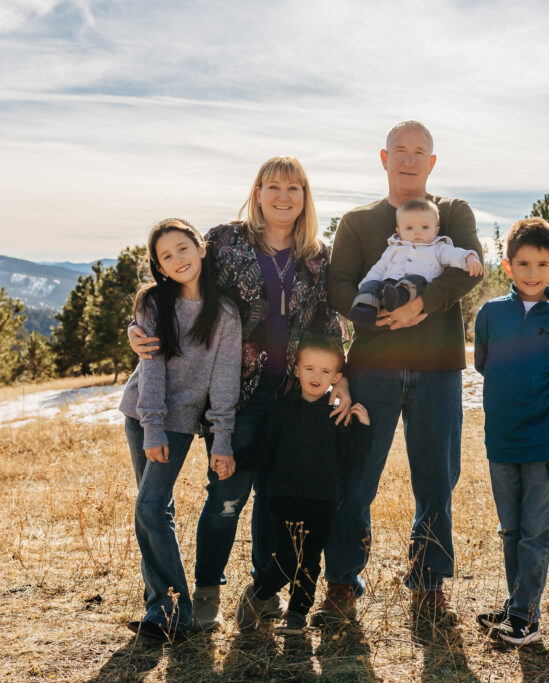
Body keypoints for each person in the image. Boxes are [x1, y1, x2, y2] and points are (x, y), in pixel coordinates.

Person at [128, 157, 348, 631]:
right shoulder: (226, 241)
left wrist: (340, 373)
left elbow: (327, 320)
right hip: (234, 392)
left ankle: (264, 589)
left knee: (275, 495)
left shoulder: (316, 254)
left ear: (305, 196)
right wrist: (136, 326)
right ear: (258, 191)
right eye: (273, 186)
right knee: (228, 493)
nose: (283, 195)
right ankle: (207, 590)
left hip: (291, 393)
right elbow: (180, 286)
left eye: (294, 187)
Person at [321, 121, 483, 625]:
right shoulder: (358, 221)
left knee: (437, 478)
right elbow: (339, 284)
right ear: (384, 158)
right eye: (400, 151)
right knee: (357, 475)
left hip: (438, 367)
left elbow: (469, 268)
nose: (409, 160)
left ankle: (429, 584)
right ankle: (343, 582)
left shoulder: (452, 212)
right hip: (372, 367)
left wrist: (421, 307)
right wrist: (371, 315)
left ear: (431, 163)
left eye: (419, 153)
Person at [119, 218, 242, 641]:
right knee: (154, 508)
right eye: (166, 256)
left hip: (180, 421)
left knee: (150, 509)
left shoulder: (224, 312)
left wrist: (221, 439)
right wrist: (151, 426)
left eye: (182, 248)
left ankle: (172, 610)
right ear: (159, 267)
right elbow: (150, 370)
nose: (177, 259)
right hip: (143, 414)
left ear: (201, 248)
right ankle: (163, 610)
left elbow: (225, 381)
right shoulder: (153, 303)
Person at [473, 217, 549, 645]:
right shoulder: (491, 314)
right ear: (507, 266)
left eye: (542, 264)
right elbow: (485, 363)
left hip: (544, 443)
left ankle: (526, 618)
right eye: (523, 263)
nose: (532, 272)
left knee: (536, 531)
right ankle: (516, 603)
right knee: (511, 529)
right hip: (501, 440)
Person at [232, 334, 373, 635]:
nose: (316, 376)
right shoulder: (282, 409)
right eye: (309, 368)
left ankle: (297, 615)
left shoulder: (336, 414)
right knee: (287, 556)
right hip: (284, 496)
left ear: (336, 377)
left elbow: (350, 456)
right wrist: (234, 460)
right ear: (296, 370)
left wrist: (362, 428)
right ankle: (258, 595)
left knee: (309, 559)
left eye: (325, 372)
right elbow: (264, 449)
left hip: (323, 500)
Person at [349, 197, 483, 327]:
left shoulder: (438, 247)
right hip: (388, 284)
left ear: (435, 231)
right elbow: (379, 268)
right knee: (372, 284)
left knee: (416, 280)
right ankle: (364, 309)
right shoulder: (393, 248)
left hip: (415, 286)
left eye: (425, 227)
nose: (417, 232)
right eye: (409, 228)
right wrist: (367, 284)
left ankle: (397, 296)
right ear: (399, 231)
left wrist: (469, 258)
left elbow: (454, 254)